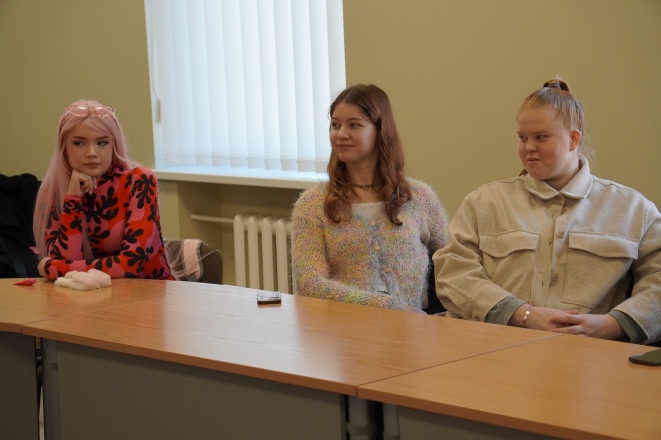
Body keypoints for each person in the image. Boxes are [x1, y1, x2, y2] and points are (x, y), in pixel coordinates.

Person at [434, 78, 661, 344]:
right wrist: (522, 314)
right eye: (522, 138)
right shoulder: (484, 202)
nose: (529, 147)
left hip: (590, 356)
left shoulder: (633, 209)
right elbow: (452, 273)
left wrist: (613, 324)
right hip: (491, 349)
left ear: (573, 139)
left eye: (541, 137)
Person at [291, 84, 448, 311]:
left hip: (415, 327)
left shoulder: (419, 197)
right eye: (335, 125)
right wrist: (387, 306)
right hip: (344, 326)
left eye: (354, 125)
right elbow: (310, 284)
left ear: (380, 130)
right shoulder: (313, 204)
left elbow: (452, 263)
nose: (340, 134)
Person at [33, 100, 173, 280]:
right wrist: (73, 199)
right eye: (79, 143)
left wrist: (53, 269)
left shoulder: (140, 181)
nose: (92, 152)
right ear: (64, 148)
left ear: (113, 145)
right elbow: (67, 261)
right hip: (88, 293)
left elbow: (131, 264)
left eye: (102, 142)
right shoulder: (54, 192)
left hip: (148, 290)